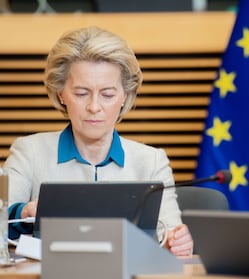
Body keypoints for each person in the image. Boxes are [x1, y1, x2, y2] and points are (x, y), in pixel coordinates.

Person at [4, 26, 193, 256]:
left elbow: (169, 235)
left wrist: (177, 243)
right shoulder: (30, 152)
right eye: (82, 93)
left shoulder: (151, 161)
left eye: (107, 94)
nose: (94, 107)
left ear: (124, 96)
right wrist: (24, 213)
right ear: (61, 93)